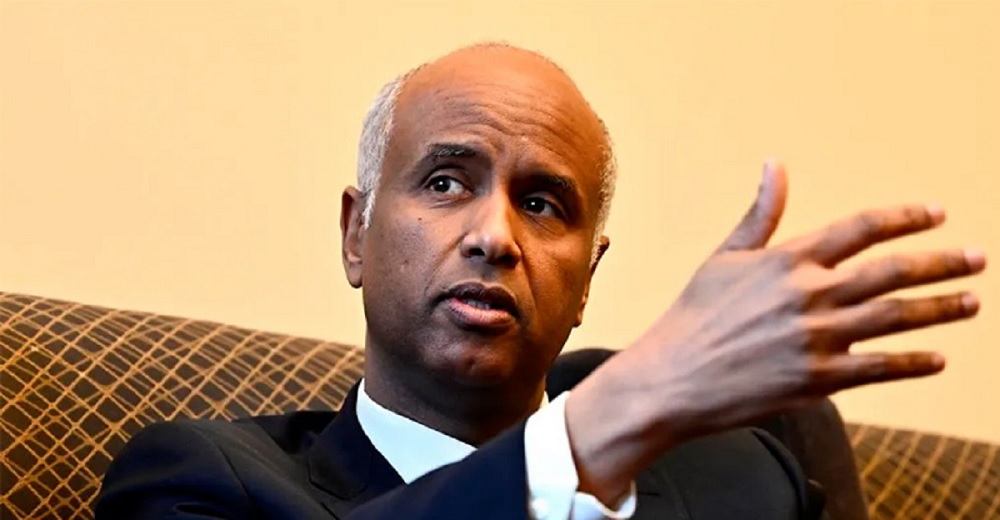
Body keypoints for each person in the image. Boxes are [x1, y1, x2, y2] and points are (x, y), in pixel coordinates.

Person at [94, 43, 986, 519]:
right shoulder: (200, 481)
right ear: (356, 233)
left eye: (542, 204)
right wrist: (611, 416)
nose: (494, 236)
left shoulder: (745, 479)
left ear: (588, 279)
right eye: (447, 183)